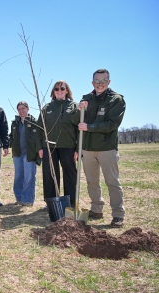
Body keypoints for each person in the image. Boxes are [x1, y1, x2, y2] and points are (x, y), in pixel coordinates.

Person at [73, 69, 126, 228]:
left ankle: (118, 214)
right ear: (92, 83)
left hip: (107, 148)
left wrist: (90, 127)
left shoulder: (116, 100)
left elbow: (112, 124)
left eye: (103, 81)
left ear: (109, 82)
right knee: (92, 182)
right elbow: (77, 123)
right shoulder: (86, 98)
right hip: (88, 149)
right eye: (97, 81)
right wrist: (79, 110)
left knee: (112, 182)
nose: (100, 84)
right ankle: (96, 209)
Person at [37, 80, 78, 207]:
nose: (59, 91)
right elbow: (39, 128)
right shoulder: (47, 108)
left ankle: (70, 202)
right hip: (49, 147)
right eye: (57, 89)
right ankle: (51, 202)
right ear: (53, 92)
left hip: (68, 146)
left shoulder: (74, 106)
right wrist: (40, 147)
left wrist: (77, 149)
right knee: (50, 175)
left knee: (70, 174)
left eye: (62, 88)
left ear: (67, 91)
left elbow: (78, 129)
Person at [9, 101, 42, 206]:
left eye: (23, 108)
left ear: (28, 109)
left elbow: (38, 138)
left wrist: (39, 150)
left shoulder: (34, 122)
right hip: (18, 154)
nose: (21, 111)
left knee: (29, 177)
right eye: (19, 109)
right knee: (18, 176)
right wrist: (11, 144)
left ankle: (28, 199)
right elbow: (11, 136)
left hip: (30, 154)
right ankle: (19, 198)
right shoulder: (15, 123)